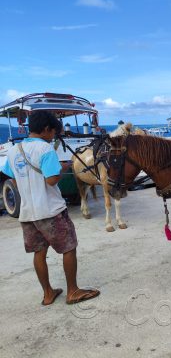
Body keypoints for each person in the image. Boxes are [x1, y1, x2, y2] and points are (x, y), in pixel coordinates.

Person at [0, 111, 100, 306]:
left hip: (27, 213)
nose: (54, 135)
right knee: (69, 248)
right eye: (53, 131)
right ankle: (73, 291)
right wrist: (61, 168)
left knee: (39, 252)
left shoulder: (14, 150)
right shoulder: (46, 150)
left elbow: (11, 176)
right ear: (46, 129)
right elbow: (52, 180)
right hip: (50, 211)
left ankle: (47, 293)